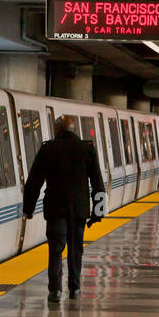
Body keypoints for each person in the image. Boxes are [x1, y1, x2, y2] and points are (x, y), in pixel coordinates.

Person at [23, 114, 105, 304]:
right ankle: (75, 288)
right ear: (73, 129)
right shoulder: (86, 149)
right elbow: (97, 182)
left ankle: (55, 291)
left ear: (58, 129)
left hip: (55, 208)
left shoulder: (48, 149)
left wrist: (28, 208)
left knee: (55, 248)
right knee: (76, 249)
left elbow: (34, 181)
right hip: (79, 209)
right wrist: (98, 211)